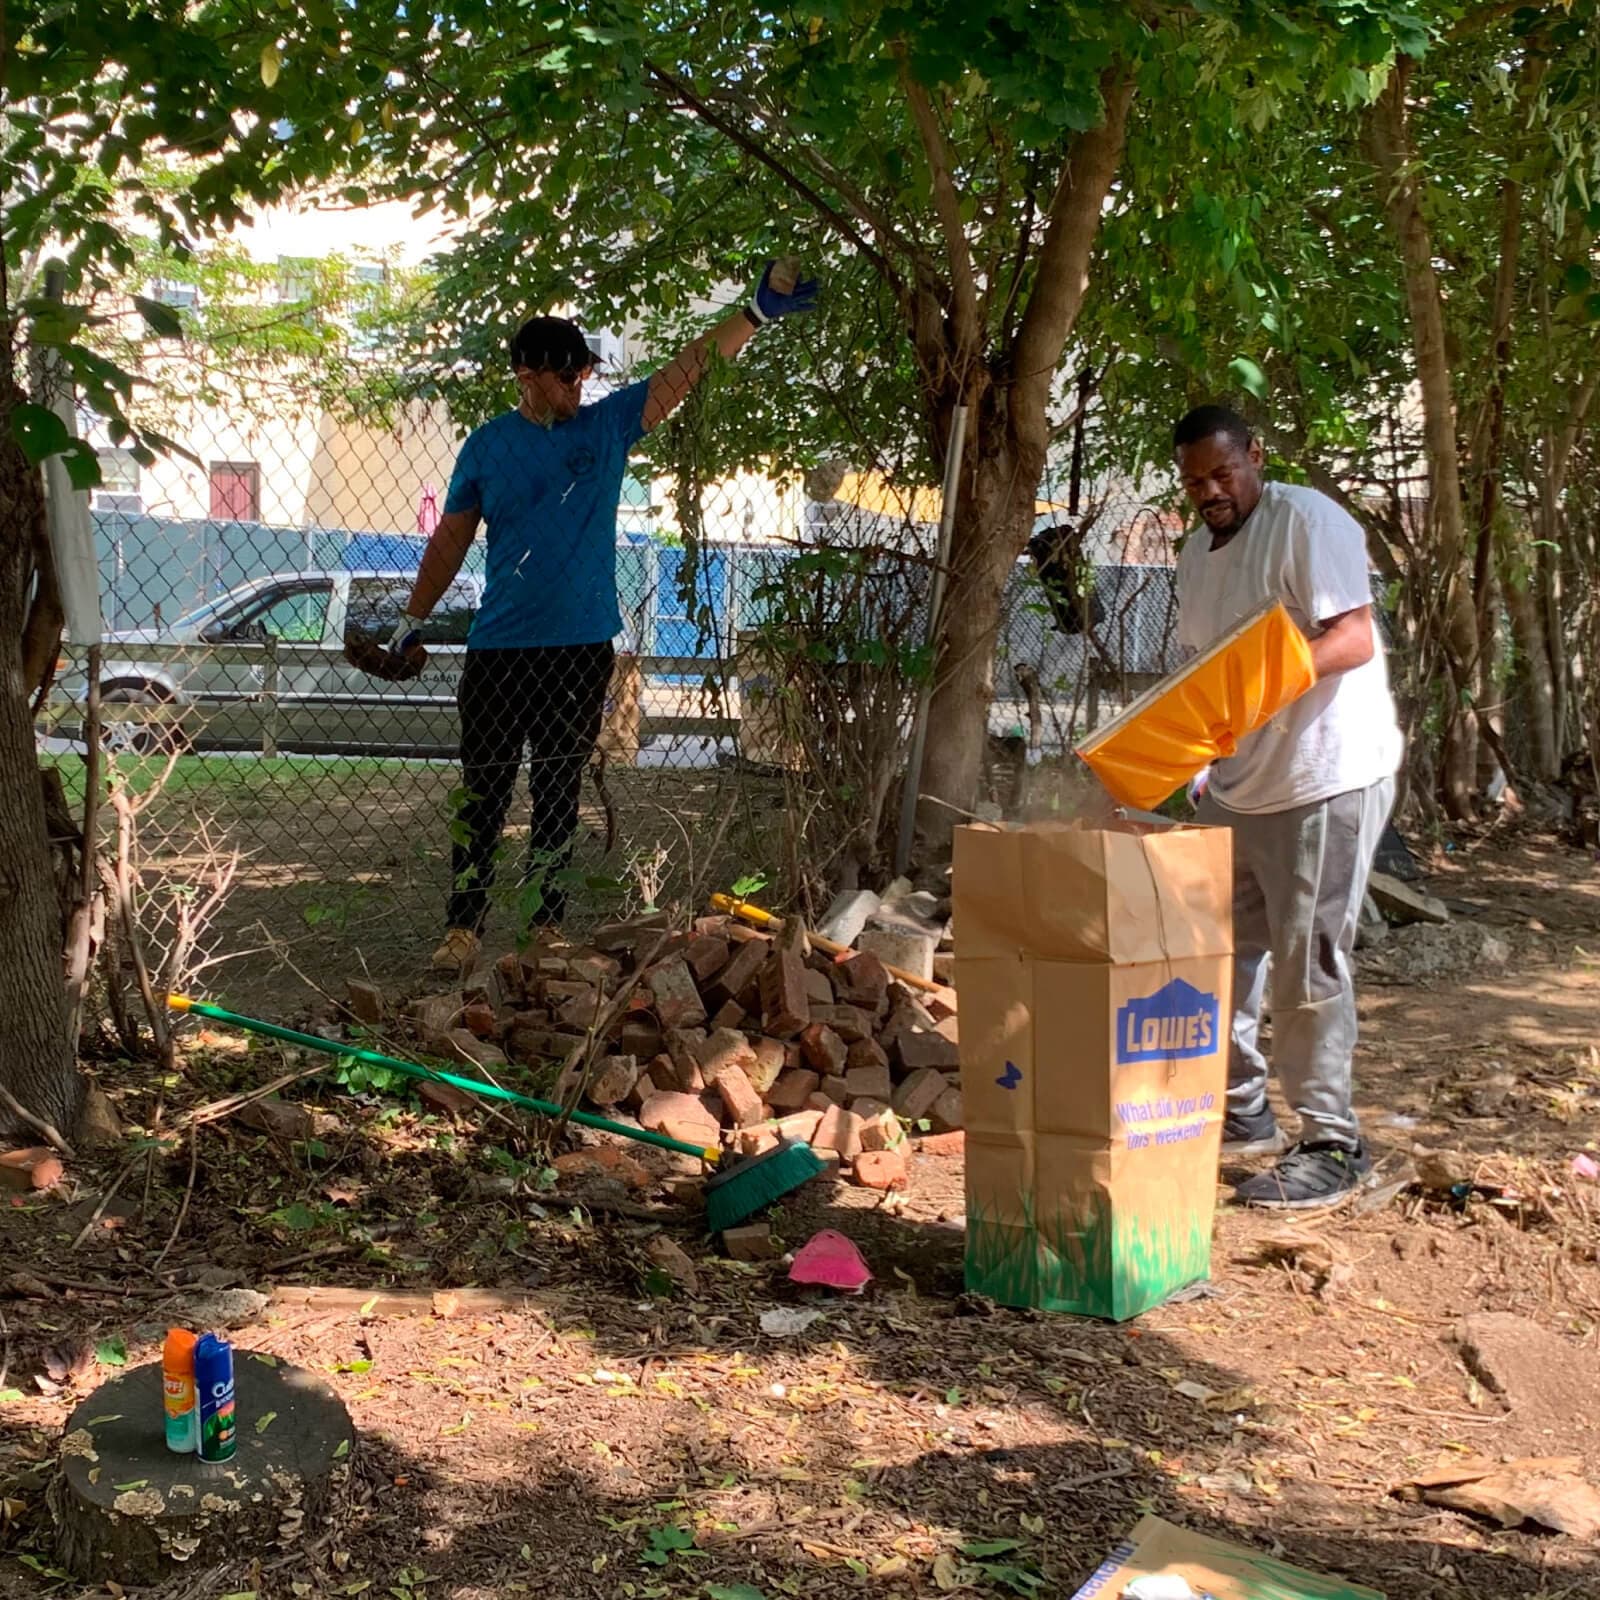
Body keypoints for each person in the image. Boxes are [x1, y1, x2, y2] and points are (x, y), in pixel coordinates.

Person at [388, 263, 818, 974]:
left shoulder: (606, 428)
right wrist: (413, 616)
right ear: (526, 374)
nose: (576, 389)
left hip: (581, 648)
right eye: (563, 379)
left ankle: (545, 930)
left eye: (584, 376)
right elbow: (452, 537)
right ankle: (461, 930)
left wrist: (755, 313)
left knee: (558, 790)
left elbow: (683, 373)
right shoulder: (488, 446)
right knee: (484, 792)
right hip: (499, 650)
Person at [1172, 404, 1402, 1208]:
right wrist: (1169, 759)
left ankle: (1335, 1143)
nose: (1210, 490)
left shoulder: (1306, 521)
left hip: (1325, 777)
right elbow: (1201, 681)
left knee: (1307, 962)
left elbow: (1351, 640)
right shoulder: (1195, 557)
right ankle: (1241, 1115)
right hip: (1241, 786)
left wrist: (1254, 690)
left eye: (1222, 472)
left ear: (1254, 457)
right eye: (1195, 479)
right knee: (1218, 955)